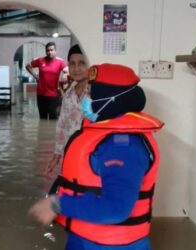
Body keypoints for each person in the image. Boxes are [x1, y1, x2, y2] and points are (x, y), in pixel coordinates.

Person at [29, 63, 164, 250]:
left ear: (112, 99)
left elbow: (116, 208)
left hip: (112, 244)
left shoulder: (123, 146)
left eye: (92, 94)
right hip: (87, 239)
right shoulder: (103, 135)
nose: (86, 99)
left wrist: (57, 204)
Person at [46, 44, 88, 175]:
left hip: (91, 156)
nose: (76, 69)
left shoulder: (97, 94)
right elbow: (62, 127)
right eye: (72, 63)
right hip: (70, 155)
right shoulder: (68, 93)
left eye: (81, 63)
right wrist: (57, 156)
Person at [26, 42, 68, 120]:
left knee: (53, 119)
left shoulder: (60, 62)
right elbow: (28, 66)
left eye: (51, 50)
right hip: (41, 95)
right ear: (46, 51)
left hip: (54, 96)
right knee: (42, 119)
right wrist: (35, 76)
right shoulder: (40, 60)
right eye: (48, 50)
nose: (49, 52)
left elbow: (68, 72)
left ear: (55, 51)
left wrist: (64, 79)